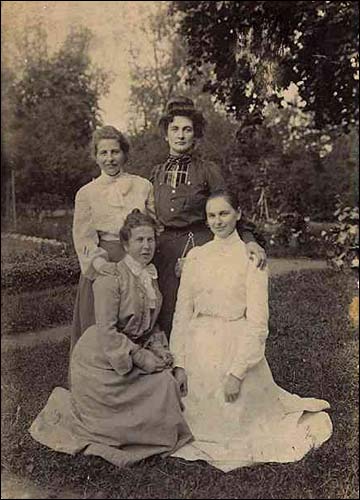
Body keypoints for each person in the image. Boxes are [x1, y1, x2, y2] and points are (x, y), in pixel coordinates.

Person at [170, 189, 333, 472]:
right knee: (185, 419)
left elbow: (258, 324)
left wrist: (237, 373)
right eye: (212, 215)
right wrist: (179, 364)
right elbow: (181, 313)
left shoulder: (252, 257)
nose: (218, 221)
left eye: (224, 213)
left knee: (234, 423)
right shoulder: (196, 257)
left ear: (238, 215)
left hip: (234, 344)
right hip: (198, 345)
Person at [29, 210, 193, 468]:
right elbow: (107, 330)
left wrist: (160, 350)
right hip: (101, 360)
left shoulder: (150, 276)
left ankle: (145, 431)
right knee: (159, 386)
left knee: (165, 381)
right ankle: (124, 430)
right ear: (125, 245)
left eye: (150, 240)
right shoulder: (111, 278)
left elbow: (150, 327)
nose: (146, 246)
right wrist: (141, 357)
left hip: (125, 350)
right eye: (139, 240)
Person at [151, 96, 266, 338]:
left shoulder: (207, 170)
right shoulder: (157, 172)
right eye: (175, 129)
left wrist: (249, 239)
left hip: (198, 245)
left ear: (196, 134)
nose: (181, 135)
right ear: (166, 134)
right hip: (163, 250)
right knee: (165, 311)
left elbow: (228, 208)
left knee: (197, 312)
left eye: (187, 129)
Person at [71, 125, 156, 353]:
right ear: (96, 157)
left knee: (135, 322)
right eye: (104, 153)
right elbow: (84, 238)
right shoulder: (86, 193)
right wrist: (100, 264)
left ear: (124, 153)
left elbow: (155, 226)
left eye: (115, 152)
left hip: (136, 260)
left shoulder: (142, 186)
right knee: (102, 324)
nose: (110, 159)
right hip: (105, 262)